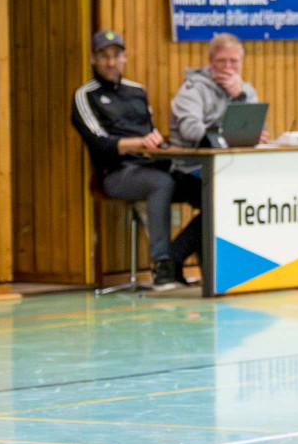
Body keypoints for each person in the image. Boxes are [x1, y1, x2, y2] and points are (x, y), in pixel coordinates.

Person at [71, 30, 201, 290]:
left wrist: (160, 144)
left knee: (207, 192)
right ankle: (162, 267)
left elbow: (151, 132)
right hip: (116, 173)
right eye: (104, 56)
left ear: (125, 57)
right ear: (93, 59)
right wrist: (138, 143)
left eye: (116, 55)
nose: (111, 62)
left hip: (152, 165)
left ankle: (177, 258)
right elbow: (99, 144)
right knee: (160, 183)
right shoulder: (86, 95)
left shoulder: (137, 91)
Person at [169, 33, 267, 147]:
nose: (227, 66)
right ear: (210, 62)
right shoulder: (192, 89)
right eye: (221, 60)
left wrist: (240, 97)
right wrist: (230, 138)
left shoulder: (246, 91)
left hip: (238, 154)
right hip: (194, 156)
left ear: (241, 62)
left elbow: (257, 129)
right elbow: (191, 130)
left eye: (234, 61)